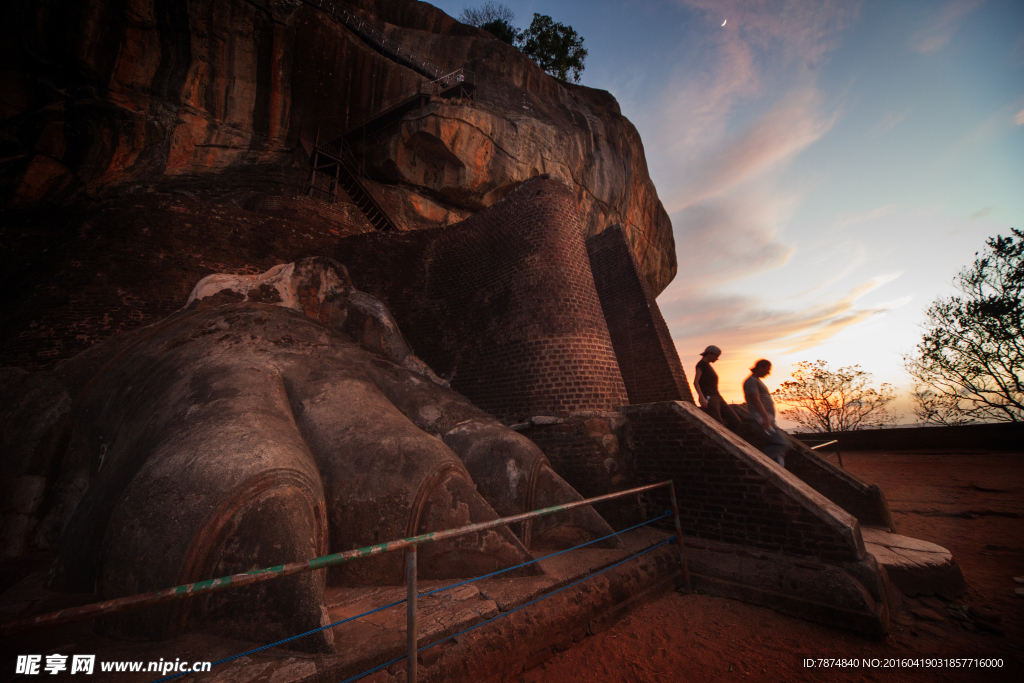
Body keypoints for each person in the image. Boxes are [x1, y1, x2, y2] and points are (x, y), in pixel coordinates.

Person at [742, 359, 789, 467]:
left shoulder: (756, 380)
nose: (768, 373)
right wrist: (765, 417)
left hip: (766, 418)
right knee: (782, 443)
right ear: (761, 367)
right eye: (767, 370)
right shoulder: (751, 381)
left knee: (777, 446)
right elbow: (755, 399)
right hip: (760, 418)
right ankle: (757, 463)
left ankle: (778, 471)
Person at [693, 345, 739, 428]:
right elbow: (696, 382)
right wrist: (702, 397)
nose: (717, 358)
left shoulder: (708, 365)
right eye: (716, 356)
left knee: (735, 420)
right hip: (708, 397)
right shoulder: (701, 365)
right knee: (718, 423)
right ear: (709, 353)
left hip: (718, 397)